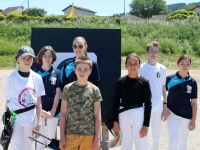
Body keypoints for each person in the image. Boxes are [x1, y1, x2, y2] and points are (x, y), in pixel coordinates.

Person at [1, 46, 45, 150]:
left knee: (28, 146)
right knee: (16, 147)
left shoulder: (37, 78)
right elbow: (8, 101)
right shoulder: (11, 77)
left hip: (31, 118)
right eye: (23, 58)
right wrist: (7, 120)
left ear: (33, 59)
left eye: (29, 58)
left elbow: (38, 103)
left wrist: (39, 123)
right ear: (17, 59)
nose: (27, 61)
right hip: (15, 118)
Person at [59, 56, 102, 150]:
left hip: (88, 135)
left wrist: (97, 139)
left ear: (90, 71)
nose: (82, 72)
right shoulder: (67, 88)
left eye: (86, 69)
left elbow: (97, 115)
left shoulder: (95, 90)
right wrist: (62, 136)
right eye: (79, 69)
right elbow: (62, 114)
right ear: (74, 70)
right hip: (70, 134)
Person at [112, 53, 152, 150]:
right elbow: (115, 102)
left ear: (139, 65)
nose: (132, 66)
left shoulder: (144, 82)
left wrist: (145, 125)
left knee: (141, 143)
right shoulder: (120, 82)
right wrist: (115, 121)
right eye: (130, 63)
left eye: (135, 64)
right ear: (126, 65)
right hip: (123, 114)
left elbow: (148, 104)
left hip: (139, 114)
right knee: (125, 143)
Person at [138, 41, 170, 150]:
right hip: (144, 105)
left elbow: (163, 88)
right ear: (146, 52)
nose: (153, 53)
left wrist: (165, 105)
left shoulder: (162, 69)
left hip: (158, 105)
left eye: (156, 51)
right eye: (151, 51)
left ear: (159, 54)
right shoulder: (141, 68)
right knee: (143, 129)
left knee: (156, 132)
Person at [166, 54, 197, 150]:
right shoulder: (169, 79)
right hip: (171, 113)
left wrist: (193, 120)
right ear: (177, 64)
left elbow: (194, 102)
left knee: (183, 140)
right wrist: (165, 108)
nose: (185, 66)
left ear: (190, 66)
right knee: (174, 139)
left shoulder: (192, 82)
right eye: (182, 63)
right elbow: (162, 95)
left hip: (186, 115)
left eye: (187, 64)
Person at [34, 46, 61, 150]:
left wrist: (53, 110)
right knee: (40, 138)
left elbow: (58, 92)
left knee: (50, 139)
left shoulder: (57, 72)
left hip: (53, 111)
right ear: (41, 57)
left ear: (53, 57)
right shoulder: (35, 73)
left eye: (50, 56)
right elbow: (35, 95)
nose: (47, 58)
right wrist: (42, 111)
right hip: (39, 110)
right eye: (45, 55)